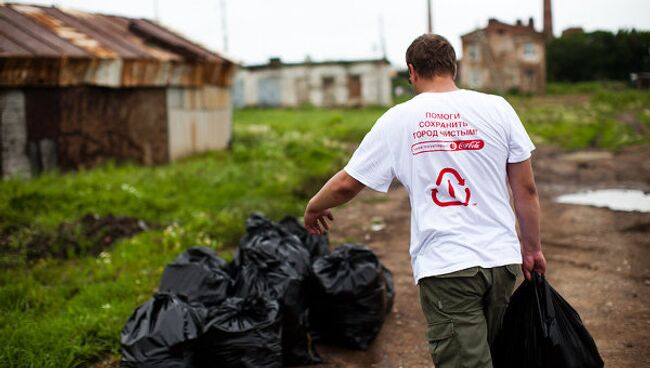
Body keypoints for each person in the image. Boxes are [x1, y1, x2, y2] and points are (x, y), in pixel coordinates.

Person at [303, 33, 547, 367]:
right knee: (494, 354)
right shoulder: (498, 108)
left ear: (412, 72)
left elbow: (347, 184)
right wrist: (531, 249)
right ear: (454, 68)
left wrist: (314, 205)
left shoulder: (398, 118)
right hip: (501, 262)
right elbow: (526, 189)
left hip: (447, 265)